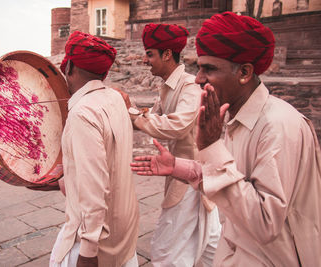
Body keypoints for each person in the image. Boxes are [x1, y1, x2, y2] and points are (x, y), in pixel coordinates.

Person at [131, 11, 321, 266]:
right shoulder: (239, 116)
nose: (198, 79)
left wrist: (211, 146)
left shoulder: (278, 126)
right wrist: (178, 167)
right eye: (199, 68)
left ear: (244, 72)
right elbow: (236, 179)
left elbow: (265, 222)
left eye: (208, 69)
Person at [124, 23, 221, 266]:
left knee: (167, 249)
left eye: (150, 54)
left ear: (167, 54)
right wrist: (124, 110)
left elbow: (176, 126)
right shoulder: (167, 87)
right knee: (209, 242)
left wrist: (132, 114)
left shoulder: (188, 86)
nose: (146, 60)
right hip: (186, 175)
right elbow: (153, 118)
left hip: (191, 178)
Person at [49, 31, 139, 267]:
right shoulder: (117, 99)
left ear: (68, 68)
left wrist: (88, 253)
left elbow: (94, 189)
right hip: (124, 234)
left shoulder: (82, 113)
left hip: (95, 242)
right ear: (104, 73)